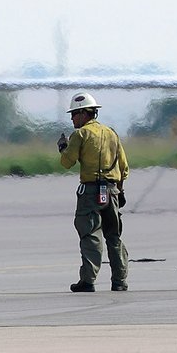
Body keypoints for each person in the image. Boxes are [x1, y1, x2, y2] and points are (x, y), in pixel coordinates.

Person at [57, 91, 130, 293]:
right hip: (113, 192)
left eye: (74, 114)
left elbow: (67, 162)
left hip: (90, 193)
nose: (72, 118)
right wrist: (120, 191)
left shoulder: (80, 135)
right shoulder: (112, 134)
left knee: (90, 235)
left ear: (84, 113)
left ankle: (88, 281)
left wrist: (63, 147)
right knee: (114, 236)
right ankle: (120, 280)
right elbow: (124, 168)